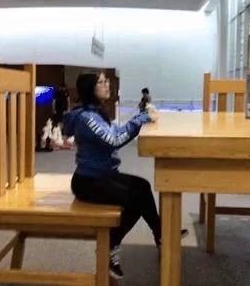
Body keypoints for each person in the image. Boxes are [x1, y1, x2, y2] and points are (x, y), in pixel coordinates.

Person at [64, 73, 187, 280]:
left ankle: (160, 235)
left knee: (142, 186)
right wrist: (142, 118)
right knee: (136, 200)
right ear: (90, 89)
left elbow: (118, 131)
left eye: (106, 81)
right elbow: (115, 140)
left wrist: (138, 117)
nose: (107, 84)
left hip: (103, 175)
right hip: (88, 181)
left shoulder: (97, 113)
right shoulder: (86, 118)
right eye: (101, 82)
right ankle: (111, 245)